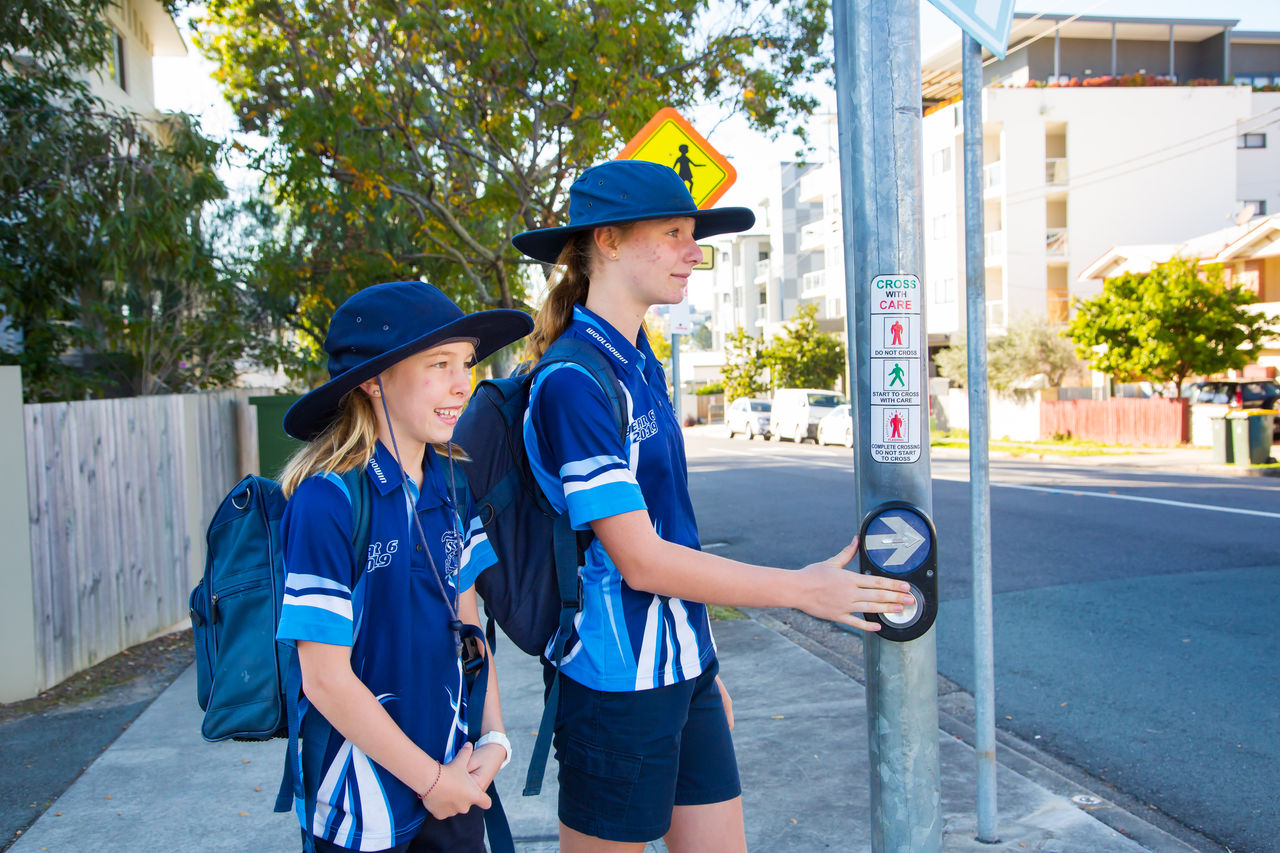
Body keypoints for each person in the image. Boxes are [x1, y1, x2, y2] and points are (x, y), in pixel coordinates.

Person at [510, 160, 916, 853]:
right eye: (673, 233)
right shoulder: (572, 380)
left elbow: (677, 530)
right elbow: (640, 561)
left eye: (692, 235)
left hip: (684, 671)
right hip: (616, 684)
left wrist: (705, 662)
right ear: (607, 239)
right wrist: (800, 590)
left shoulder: (640, 360)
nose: (693, 253)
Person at [275, 281, 533, 853]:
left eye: (465, 363)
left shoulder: (453, 485)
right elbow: (323, 678)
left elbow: (470, 633)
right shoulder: (327, 500)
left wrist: (493, 738)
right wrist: (432, 781)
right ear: (372, 381)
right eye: (438, 364)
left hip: (456, 781)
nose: (462, 382)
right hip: (359, 811)